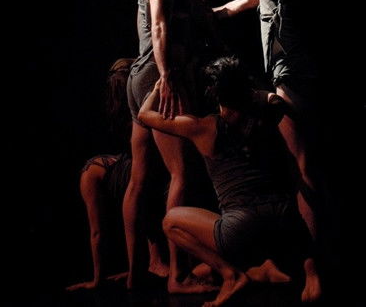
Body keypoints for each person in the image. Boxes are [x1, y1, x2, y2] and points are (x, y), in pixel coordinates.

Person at [142, 0, 325, 252]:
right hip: (289, 75)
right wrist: (201, 17)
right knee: (299, 166)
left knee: (301, 168)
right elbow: (238, 4)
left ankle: (314, 266)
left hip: (293, 76)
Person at [138, 56, 322, 306]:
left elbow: (145, 115)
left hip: (240, 227)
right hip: (283, 220)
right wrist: (255, 94)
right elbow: (275, 100)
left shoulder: (203, 127)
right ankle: (310, 276)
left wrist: (161, 83)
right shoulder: (263, 117)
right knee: (213, 264)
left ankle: (231, 276)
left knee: (170, 222)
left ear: (214, 94)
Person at [123, 0, 227, 293]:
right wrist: (167, 76)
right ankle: (178, 276)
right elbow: (161, 25)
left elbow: (199, 19)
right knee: (180, 174)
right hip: (157, 76)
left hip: (144, 76)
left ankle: (135, 275)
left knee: (140, 178)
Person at [66, 58, 168, 291]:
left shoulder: (124, 115)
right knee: (142, 187)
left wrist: (98, 280)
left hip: (138, 172)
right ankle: (150, 263)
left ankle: (138, 267)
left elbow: (97, 233)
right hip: (142, 170)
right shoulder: (142, 110)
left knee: (136, 188)